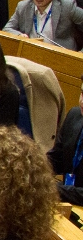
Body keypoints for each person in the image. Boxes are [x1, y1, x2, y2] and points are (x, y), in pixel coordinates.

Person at [3, 0, 83, 50]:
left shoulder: (67, 6)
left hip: (60, 55)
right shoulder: (23, 6)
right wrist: (19, 35)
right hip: (30, 51)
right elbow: (7, 28)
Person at [49, 77, 83, 205]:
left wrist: (54, 189)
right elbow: (56, 159)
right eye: (82, 93)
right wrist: (32, 170)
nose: (82, 101)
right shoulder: (75, 115)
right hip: (68, 201)